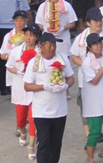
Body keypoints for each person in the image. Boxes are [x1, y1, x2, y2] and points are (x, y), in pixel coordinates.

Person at [23, 32, 76, 163]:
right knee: (44, 142)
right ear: (41, 46)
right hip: (42, 111)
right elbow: (27, 86)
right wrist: (44, 87)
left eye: (54, 45)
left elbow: (71, 78)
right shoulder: (34, 63)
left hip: (60, 110)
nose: (52, 48)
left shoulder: (62, 58)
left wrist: (65, 86)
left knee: (56, 143)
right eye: (49, 45)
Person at [81, 33, 103, 163]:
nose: (99, 46)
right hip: (94, 102)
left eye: (100, 43)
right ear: (90, 47)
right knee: (95, 133)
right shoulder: (86, 63)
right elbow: (95, 81)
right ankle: (90, 158)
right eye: (96, 44)